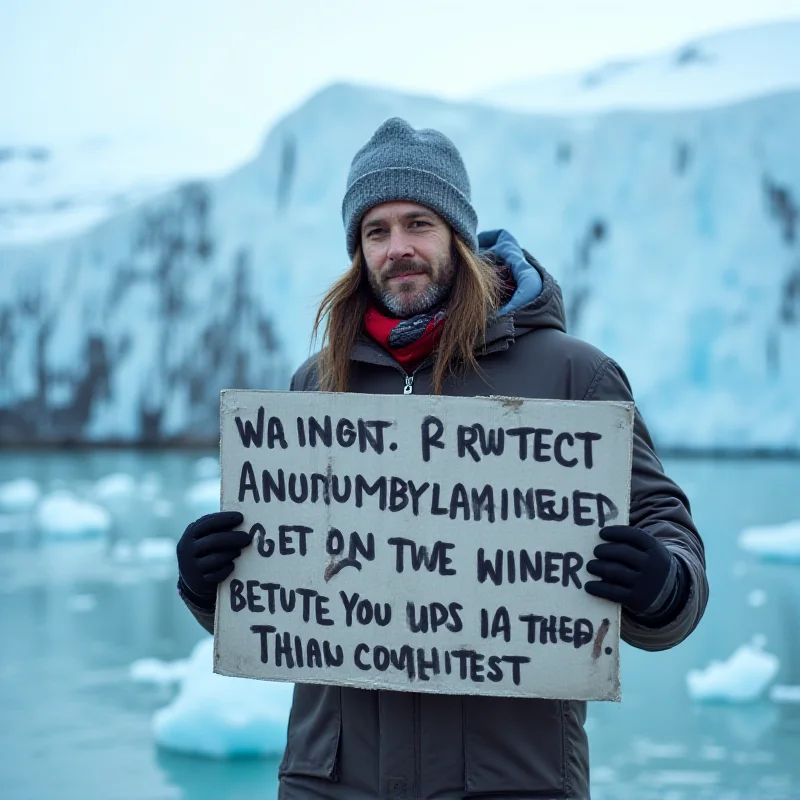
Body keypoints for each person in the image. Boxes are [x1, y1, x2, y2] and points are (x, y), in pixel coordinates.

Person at [176, 118, 709, 800]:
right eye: (376, 231)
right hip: (335, 784)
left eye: (417, 223)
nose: (398, 248)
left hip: (509, 785)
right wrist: (207, 583)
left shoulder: (576, 376)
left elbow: (670, 538)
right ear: (358, 249)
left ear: (456, 233)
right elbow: (283, 586)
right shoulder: (315, 385)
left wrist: (661, 585)